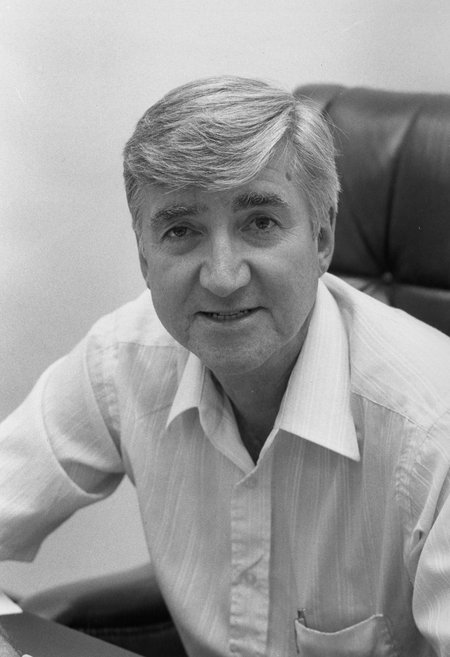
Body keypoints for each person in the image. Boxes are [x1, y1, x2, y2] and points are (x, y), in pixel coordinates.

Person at [1, 75, 450, 657]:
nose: (221, 275)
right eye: (181, 230)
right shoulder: (124, 357)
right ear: (145, 258)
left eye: (259, 222)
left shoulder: (433, 429)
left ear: (321, 239)